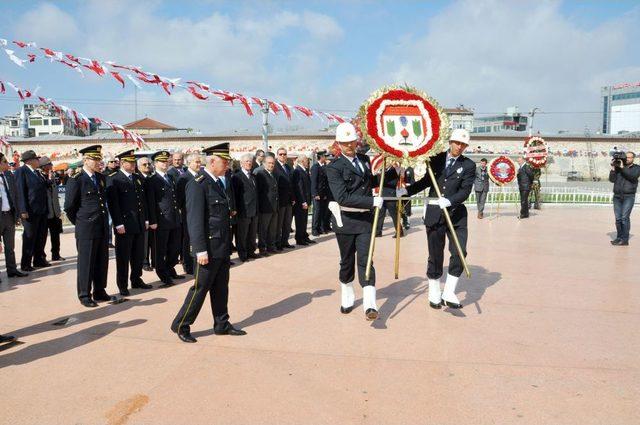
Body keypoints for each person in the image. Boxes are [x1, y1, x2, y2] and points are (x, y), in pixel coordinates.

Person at [171, 143, 246, 343]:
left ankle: (222, 324)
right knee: (200, 288)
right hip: (207, 249)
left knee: (221, 287)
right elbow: (194, 220)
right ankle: (181, 325)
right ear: (212, 162)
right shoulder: (198, 184)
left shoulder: (219, 182)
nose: (228, 165)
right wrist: (200, 250)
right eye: (225, 162)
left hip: (221, 245)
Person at [398, 128, 476, 310]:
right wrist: (407, 192)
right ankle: (434, 291)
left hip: (456, 215)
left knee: (459, 252)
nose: (460, 147)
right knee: (435, 255)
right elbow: (427, 181)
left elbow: (465, 191)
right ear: (450, 142)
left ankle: (449, 291)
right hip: (435, 213)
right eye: (457, 143)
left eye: (463, 144)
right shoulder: (436, 159)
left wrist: (449, 200)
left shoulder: (469, 165)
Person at [326, 122, 384, 320]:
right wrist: (371, 201)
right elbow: (342, 197)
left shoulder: (364, 159)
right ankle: (348, 295)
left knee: (366, 260)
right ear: (339, 144)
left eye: (352, 142)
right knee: (347, 261)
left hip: (366, 221)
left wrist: (392, 173)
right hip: (346, 221)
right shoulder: (334, 167)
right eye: (345, 143)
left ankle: (370, 304)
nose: (350, 146)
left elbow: (370, 182)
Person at [63, 145, 111, 307]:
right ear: (85, 160)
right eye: (95, 159)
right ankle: (84, 294)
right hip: (86, 227)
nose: (99, 162)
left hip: (102, 225)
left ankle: (99, 290)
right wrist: (81, 221)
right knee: (87, 262)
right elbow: (69, 206)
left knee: (101, 260)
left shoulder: (101, 178)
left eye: (100, 159)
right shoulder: (77, 179)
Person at [106, 150, 152, 296]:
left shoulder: (137, 178)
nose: (133, 165)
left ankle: (136, 279)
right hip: (124, 225)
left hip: (138, 223)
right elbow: (114, 204)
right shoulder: (114, 178)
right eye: (130, 162)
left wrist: (145, 219)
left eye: (134, 162)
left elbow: (142, 201)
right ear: (122, 163)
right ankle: (123, 284)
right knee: (123, 257)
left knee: (138, 255)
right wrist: (118, 224)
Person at [146, 150, 183, 286]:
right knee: (160, 250)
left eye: (166, 161)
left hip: (174, 218)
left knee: (175, 247)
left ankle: (169, 267)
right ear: (156, 163)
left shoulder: (170, 177)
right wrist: (153, 221)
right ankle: (163, 274)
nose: (165, 163)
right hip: (161, 220)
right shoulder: (152, 180)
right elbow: (150, 202)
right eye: (162, 161)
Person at [14, 150, 49, 271]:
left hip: (41, 210)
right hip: (30, 211)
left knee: (41, 236)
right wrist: (22, 210)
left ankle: (38, 260)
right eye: (36, 159)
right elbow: (20, 192)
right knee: (29, 237)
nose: (38, 161)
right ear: (29, 161)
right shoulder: (21, 171)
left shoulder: (37, 172)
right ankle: (26, 263)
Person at [0, 153, 27, 279]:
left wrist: (17, 215)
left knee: (10, 246)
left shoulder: (8, 176)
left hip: (9, 216)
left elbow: (15, 196)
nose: (7, 163)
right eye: (5, 161)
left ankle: (12, 270)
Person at [176, 152, 202, 274]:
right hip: (188, 214)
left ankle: (196, 262)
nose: (199, 164)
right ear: (189, 163)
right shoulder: (184, 178)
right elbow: (180, 199)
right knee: (188, 240)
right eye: (196, 162)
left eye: (199, 162)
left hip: (198, 213)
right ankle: (188, 265)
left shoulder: (200, 176)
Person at [232, 153, 259, 262]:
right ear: (241, 163)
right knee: (242, 235)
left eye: (250, 161)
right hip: (243, 211)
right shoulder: (237, 177)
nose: (249, 163)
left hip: (254, 210)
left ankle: (250, 251)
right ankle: (242, 254)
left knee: (252, 234)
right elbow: (235, 195)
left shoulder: (253, 176)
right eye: (247, 161)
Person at [609, 151, 639, 246]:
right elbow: (612, 180)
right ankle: (619, 238)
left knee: (624, 218)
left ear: (633, 158)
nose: (627, 159)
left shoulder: (637, 168)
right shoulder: (618, 167)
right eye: (626, 157)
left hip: (628, 196)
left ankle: (625, 240)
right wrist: (613, 169)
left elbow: (632, 177)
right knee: (618, 219)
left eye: (630, 157)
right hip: (617, 196)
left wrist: (622, 168)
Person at [254, 154, 279, 255]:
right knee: (263, 230)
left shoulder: (272, 174)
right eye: (269, 163)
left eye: (273, 163)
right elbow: (259, 193)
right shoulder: (260, 174)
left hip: (274, 207)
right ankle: (262, 248)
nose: (271, 165)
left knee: (272, 230)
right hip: (265, 208)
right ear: (264, 164)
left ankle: (271, 247)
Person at [40, 156, 65, 261]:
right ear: (44, 166)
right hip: (46, 212)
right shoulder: (40, 177)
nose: (51, 166)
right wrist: (49, 179)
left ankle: (56, 254)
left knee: (56, 235)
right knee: (43, 237)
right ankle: (41, 257)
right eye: (49, 164)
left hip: (54, 211)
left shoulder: (53, 175)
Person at [274, 148, 295, 250]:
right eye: (280, 154)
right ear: (277, 155)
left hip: (289, 201)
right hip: (280, 201)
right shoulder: (275, 167)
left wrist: (293, 198)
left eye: (284, 154)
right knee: (279, 224)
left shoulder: (288, 167)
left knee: (287, 223)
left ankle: (285, 241)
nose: (282, 156)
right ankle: (277, 243)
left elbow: (291, 184)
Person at [376, 161, 404, 238]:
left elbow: (393, 183)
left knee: (394, 215)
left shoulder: (394, 170)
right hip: (382, 195)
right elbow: (378, 181)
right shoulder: (382, 170)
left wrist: (382, 177)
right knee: (380, 214)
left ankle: (399, 231)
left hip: (390, 195)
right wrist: (379, 173)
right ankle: (378, 232)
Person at [292, 154, 315, 246]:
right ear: (302, 161)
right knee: (300, 221)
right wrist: (303, 201)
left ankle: (304, 236)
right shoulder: (297, 171)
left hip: (306, 199)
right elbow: (299, 187)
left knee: (304, 220)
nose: (308, 163)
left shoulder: (304, 170)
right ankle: (299, 238)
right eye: (307, 161)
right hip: (301, 202)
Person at [137, 156, 154, 272]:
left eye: (148, 164)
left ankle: (153, 260)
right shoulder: (138, 179)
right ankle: (144, 261)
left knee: (152, 240)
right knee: (145, 240)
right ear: (138, 167)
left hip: (153, 213)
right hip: (144, 214)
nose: (147, 166)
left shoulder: (151, 178)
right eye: (144, 165)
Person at [310, 150, 330, 236]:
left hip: (323, 193)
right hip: (317, 194)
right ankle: (314, 229)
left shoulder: (324, 166)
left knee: (323, 211)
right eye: (325, 156)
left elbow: (325, 181)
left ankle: (321, 228)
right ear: (321, 157)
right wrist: (315, 194)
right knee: (317, 212)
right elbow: (313, 181)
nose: (326, 158)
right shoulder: (315, 167)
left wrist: (325, 194)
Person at [401, 166, 415, 230]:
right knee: (400, 207)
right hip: (399, 191)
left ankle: (408, 221)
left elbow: (412, 180)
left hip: (407, 190)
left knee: (407, 206)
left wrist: (411, 187)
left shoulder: (410, 169)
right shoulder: (399, 168)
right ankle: (403, 221)